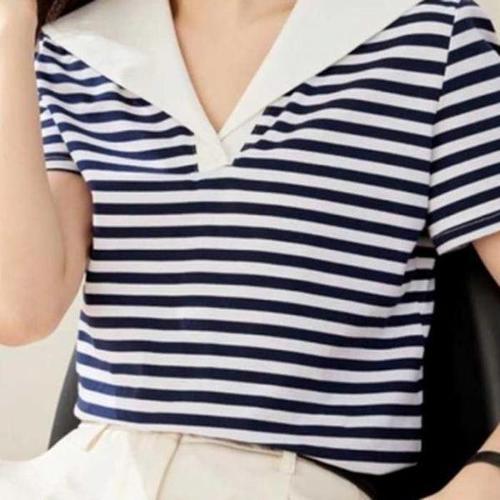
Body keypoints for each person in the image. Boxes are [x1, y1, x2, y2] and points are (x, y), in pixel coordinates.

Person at [0, 0, 499, 498]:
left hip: (285, 481)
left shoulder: (428, 35)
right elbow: (20, 312)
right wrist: (11, 24)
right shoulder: (77, 49)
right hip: (87, 470)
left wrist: (482, 480)